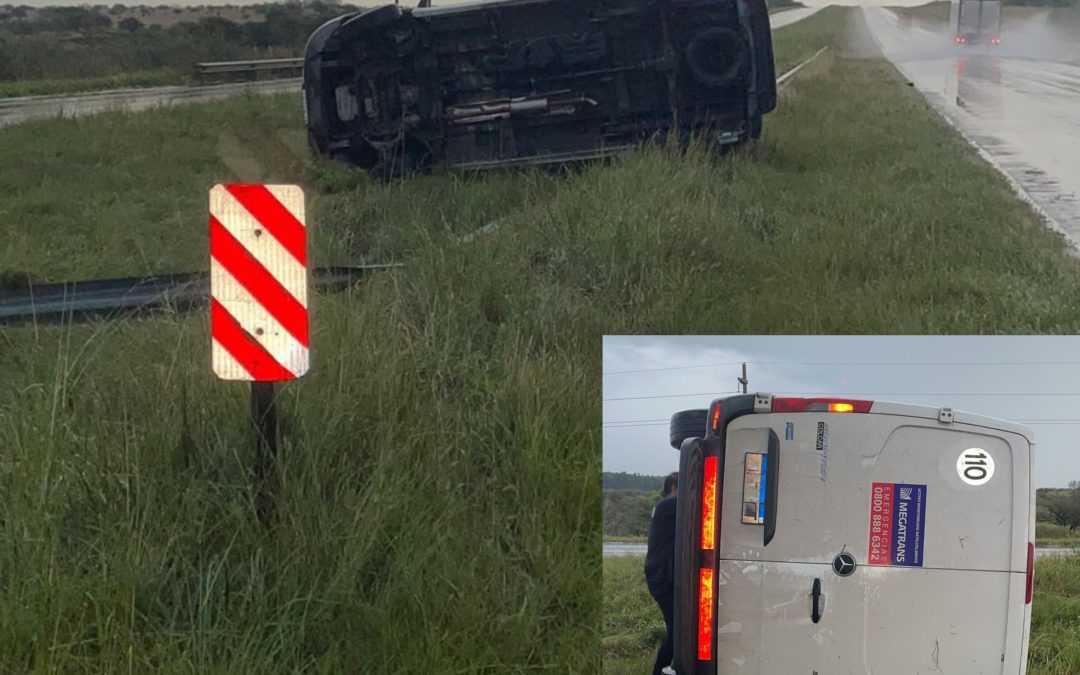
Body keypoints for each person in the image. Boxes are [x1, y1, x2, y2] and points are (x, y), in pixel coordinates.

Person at [644, 472, 678, 675]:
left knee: (675, 630)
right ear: (674, 487)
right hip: (661, 576)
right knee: (676, 633)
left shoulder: (663, 507)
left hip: (658, 574)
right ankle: (659, 671)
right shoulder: (669, 505)